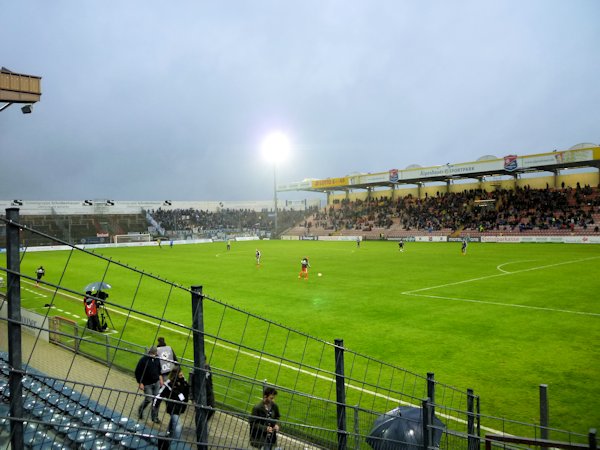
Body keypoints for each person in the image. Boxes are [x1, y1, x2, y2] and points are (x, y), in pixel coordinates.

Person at [153, 365, 190, 443]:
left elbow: (187, 392)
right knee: (177, 425)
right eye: (180, 373)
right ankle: (177, 443)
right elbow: (160, 394)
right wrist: (155, 405)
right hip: (172, 407)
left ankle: (167, 436)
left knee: (173, 423)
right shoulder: (169, 383)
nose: (182, 374)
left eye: (181, 373)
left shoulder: (183, 381)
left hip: (180, 407)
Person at [135, 346, 163, 423]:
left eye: (154, 353)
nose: (154, 354)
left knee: (156, 400)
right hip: (147, 384)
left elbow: (159, 370)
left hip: (156, 382)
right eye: (152, 353)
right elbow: (138, 372)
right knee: (149, 399)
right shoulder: (143, 360)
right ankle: (141, 409)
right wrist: (140, 383)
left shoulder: (157, 359)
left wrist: (161, 379)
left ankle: (154, 417)